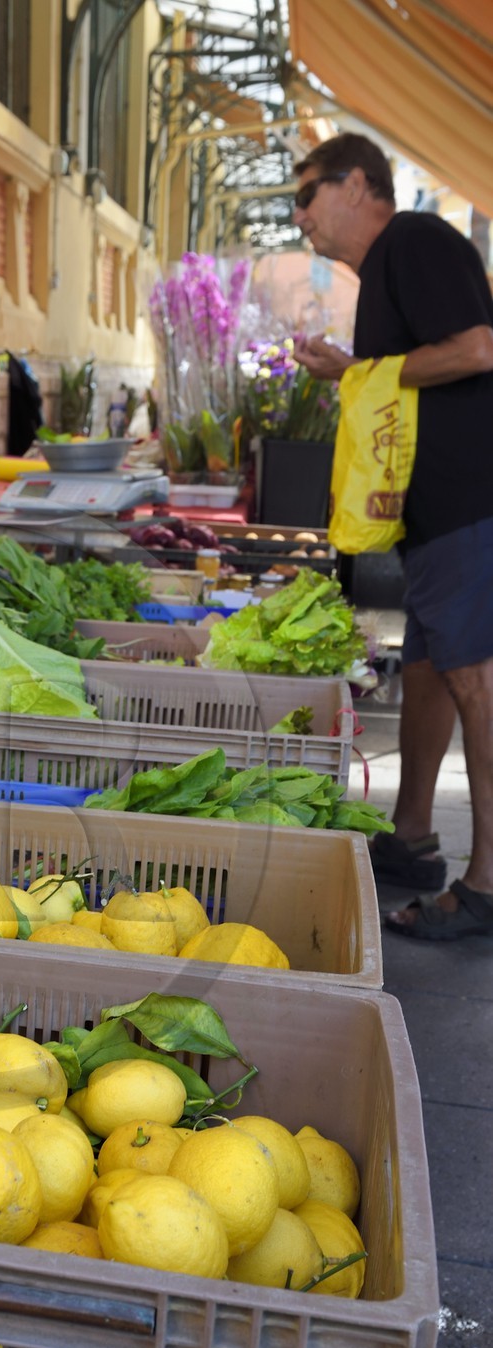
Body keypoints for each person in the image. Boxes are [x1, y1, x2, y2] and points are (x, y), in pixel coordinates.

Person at [294, 132, 493, 940]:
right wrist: (354, 368)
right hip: (435, 513)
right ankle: (411, 838)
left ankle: (486, 885)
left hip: (467, 504)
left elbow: (478, 347)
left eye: (304, 195)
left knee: (475, 680)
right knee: (432, 666)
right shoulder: (386, 268)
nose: (299, 216)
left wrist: (362, 373)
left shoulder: (413, 238)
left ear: (355, 185)